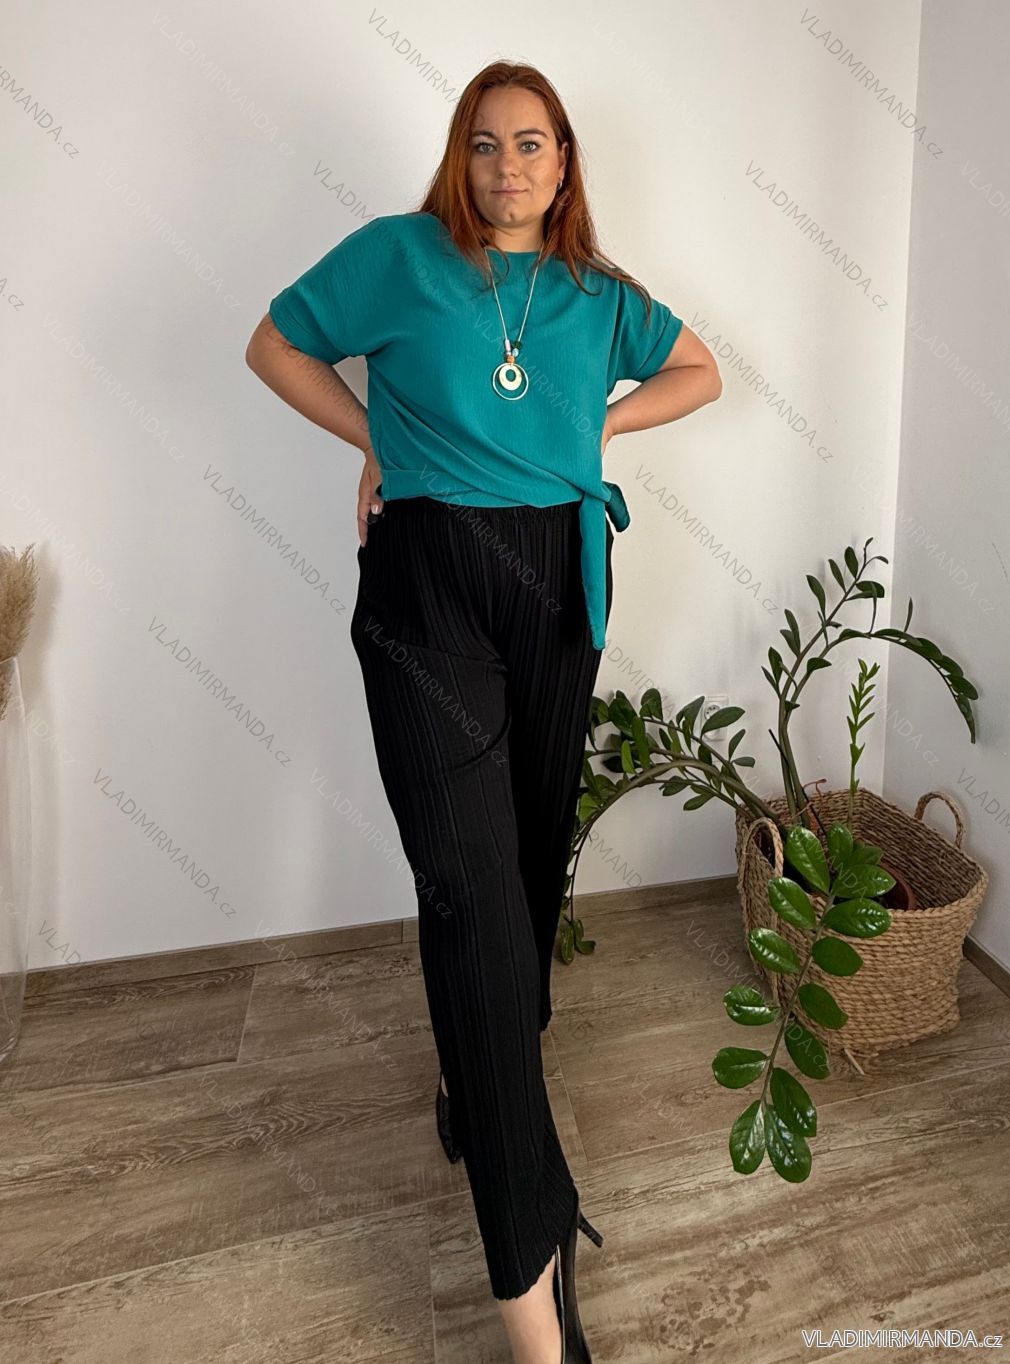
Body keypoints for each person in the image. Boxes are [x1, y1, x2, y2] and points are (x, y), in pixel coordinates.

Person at [246, 59, 721, 1364]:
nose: (508, 166)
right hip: (429, 589)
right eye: (485, 143)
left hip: (557, 590)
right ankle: (531, 1280)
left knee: (524, 875)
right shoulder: (399, 258)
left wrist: (601, 436)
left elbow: (701, 371)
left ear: (564, 165)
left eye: (533, 144)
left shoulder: (595, 294)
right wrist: (374, 441)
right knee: (472, 899)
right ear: (459, 158)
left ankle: (477, 1080)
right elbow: (274, 342)